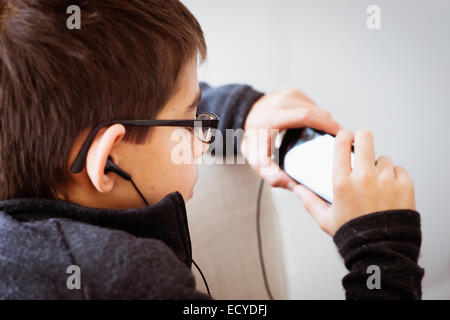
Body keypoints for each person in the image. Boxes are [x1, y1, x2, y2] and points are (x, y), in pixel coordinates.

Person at [0, 0, 423, 299]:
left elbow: (117, 102)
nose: (205, 137)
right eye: (191, 119)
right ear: (107, 161)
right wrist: (381, 248)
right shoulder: (128, 279)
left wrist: (244, 110)